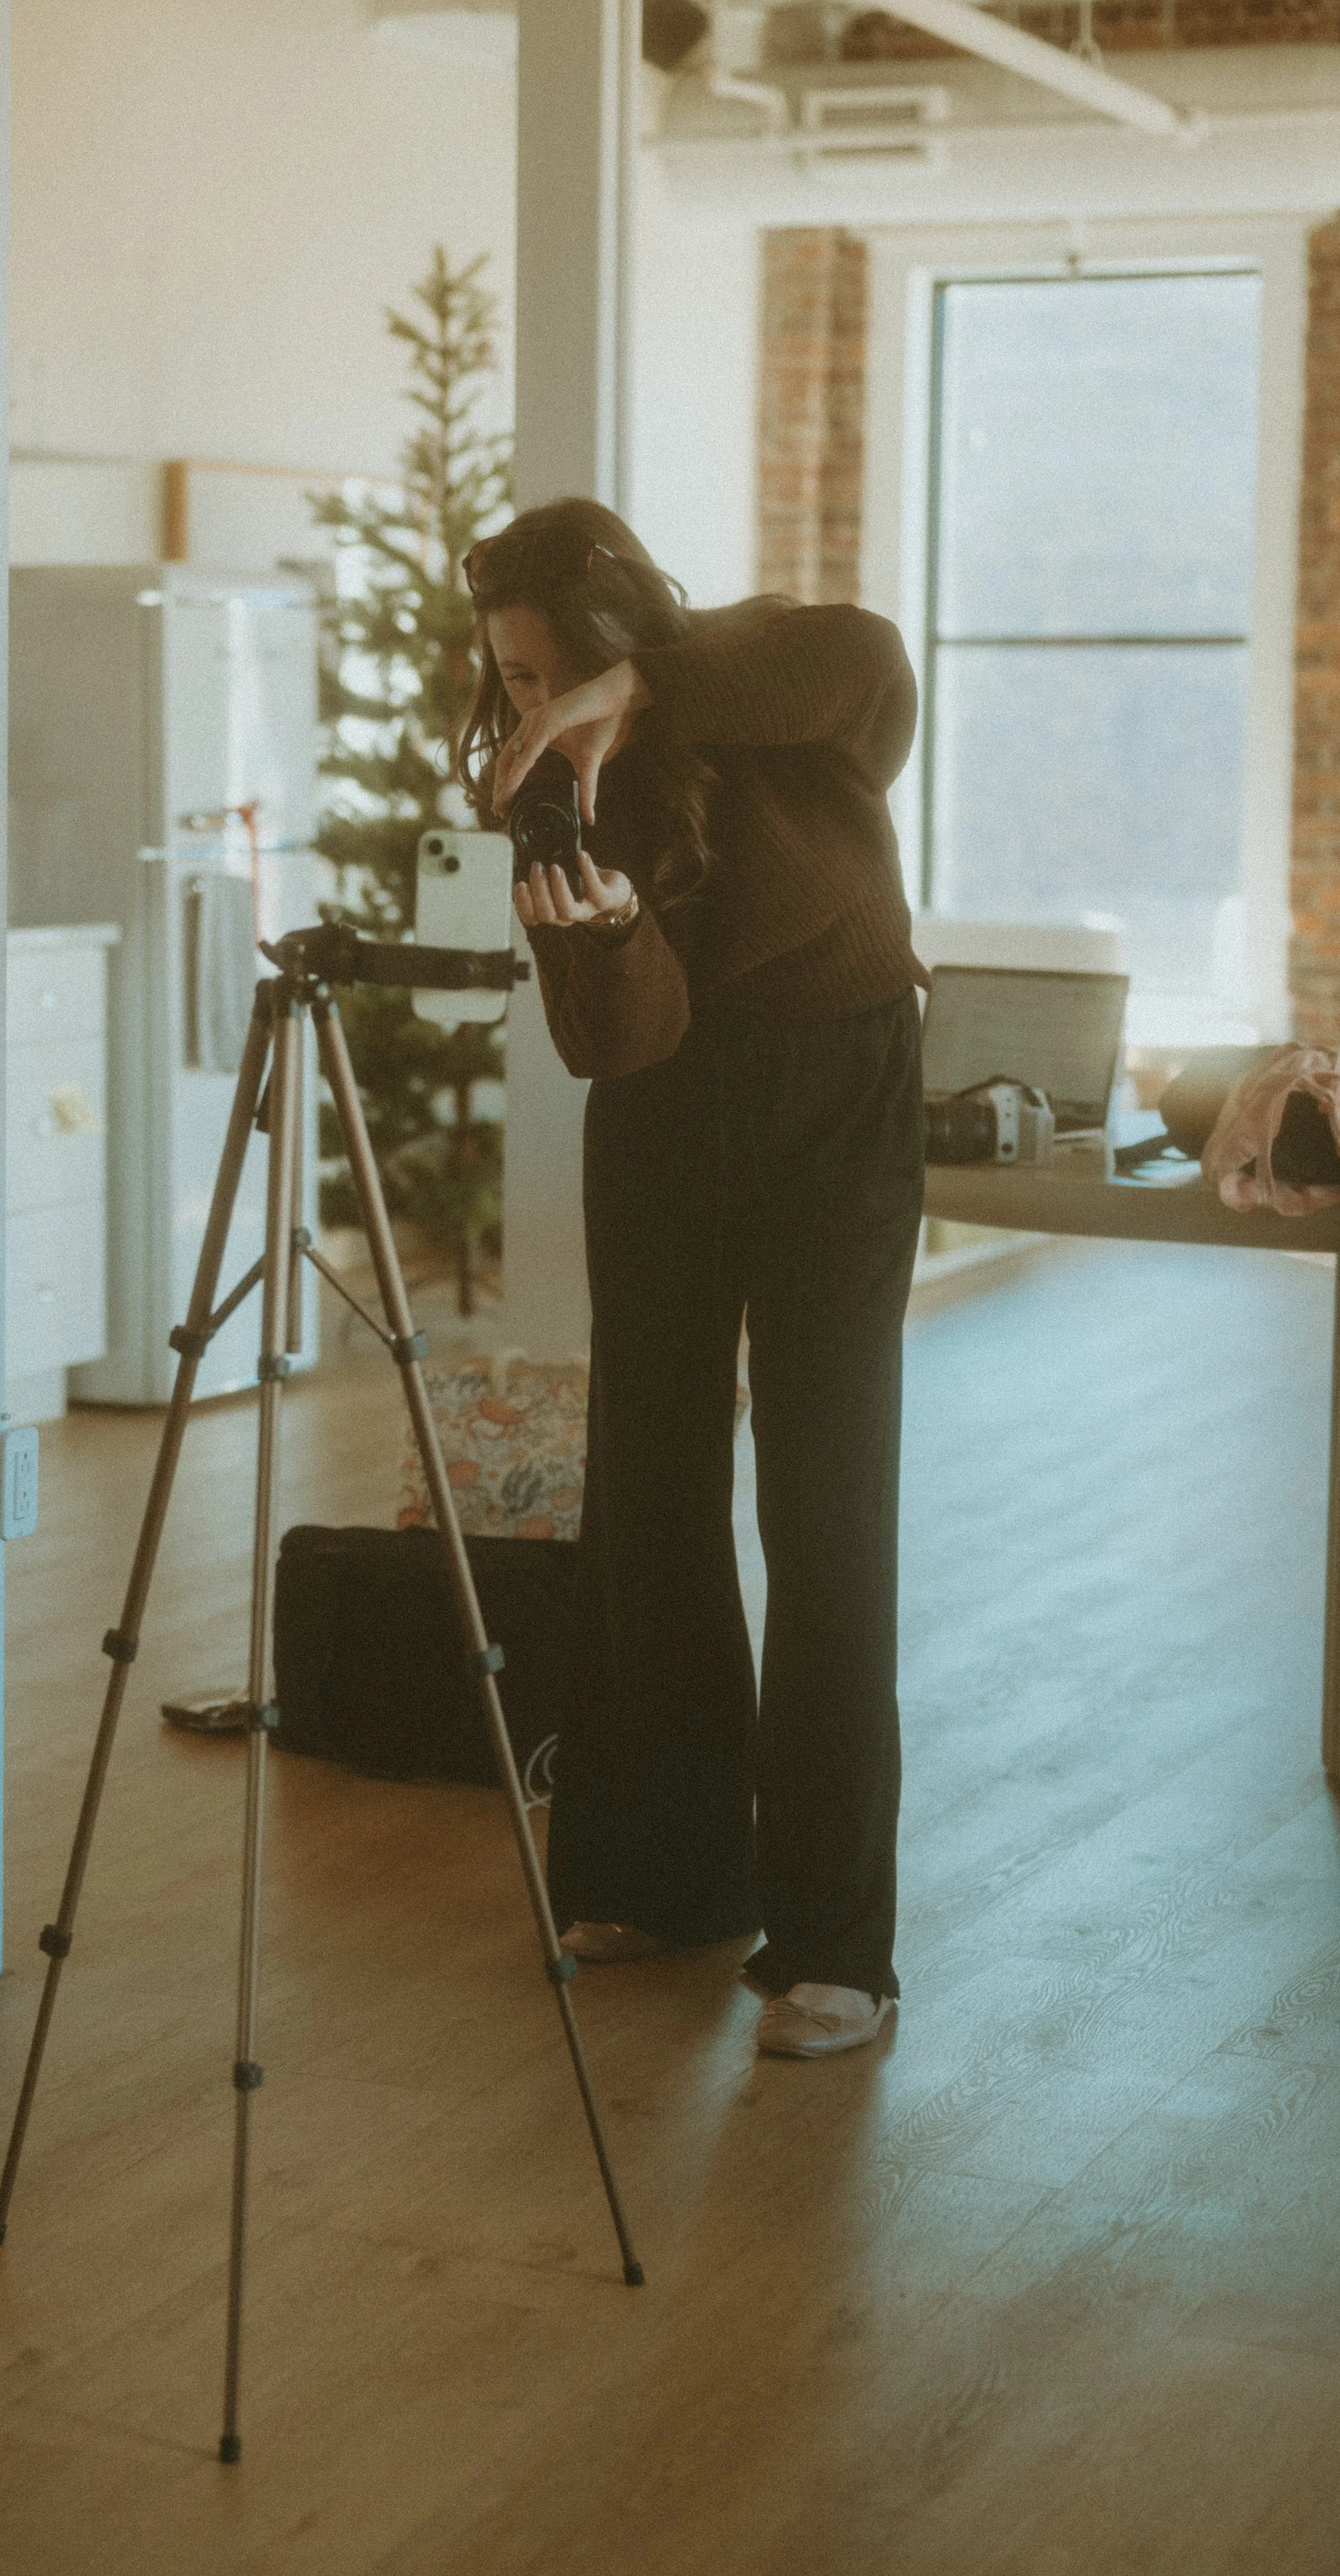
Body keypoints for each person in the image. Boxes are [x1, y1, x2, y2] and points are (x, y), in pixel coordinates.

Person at [457, 498, 928, 2060]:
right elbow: (623, 1046)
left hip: (842, 1104)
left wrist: (639, 687)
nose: (529, 711)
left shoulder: (760, 688)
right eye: (506, 684)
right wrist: (601, 941)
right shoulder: (550, 801)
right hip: (665, 1112)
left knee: (823, 1505)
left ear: (606, 634)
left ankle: (833, 1945)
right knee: (647, 1488)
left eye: (544, 674)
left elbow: (864, 662)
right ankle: (664, 1875)